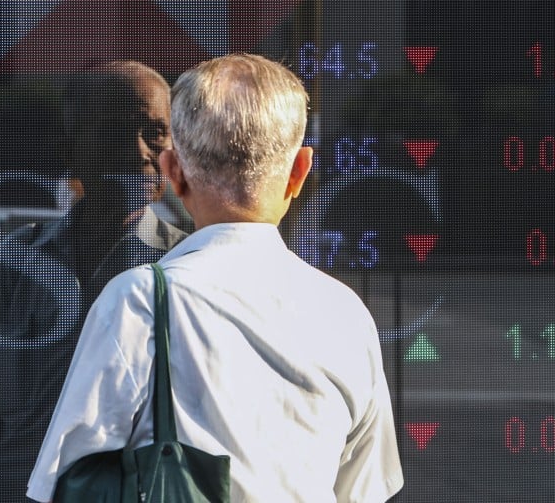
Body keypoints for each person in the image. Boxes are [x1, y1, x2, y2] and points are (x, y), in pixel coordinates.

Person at [27, 53, 404, 502]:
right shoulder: (348, 317)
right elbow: (365, 491)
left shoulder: (138, 301)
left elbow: (63, 485)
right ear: (300, 171)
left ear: (174, 172)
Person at [0, 61, 188, 503]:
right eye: (113, 131)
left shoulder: (186, 267)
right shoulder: (14, 263)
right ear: (69, 152)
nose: (138, 151)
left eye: (155, 133)